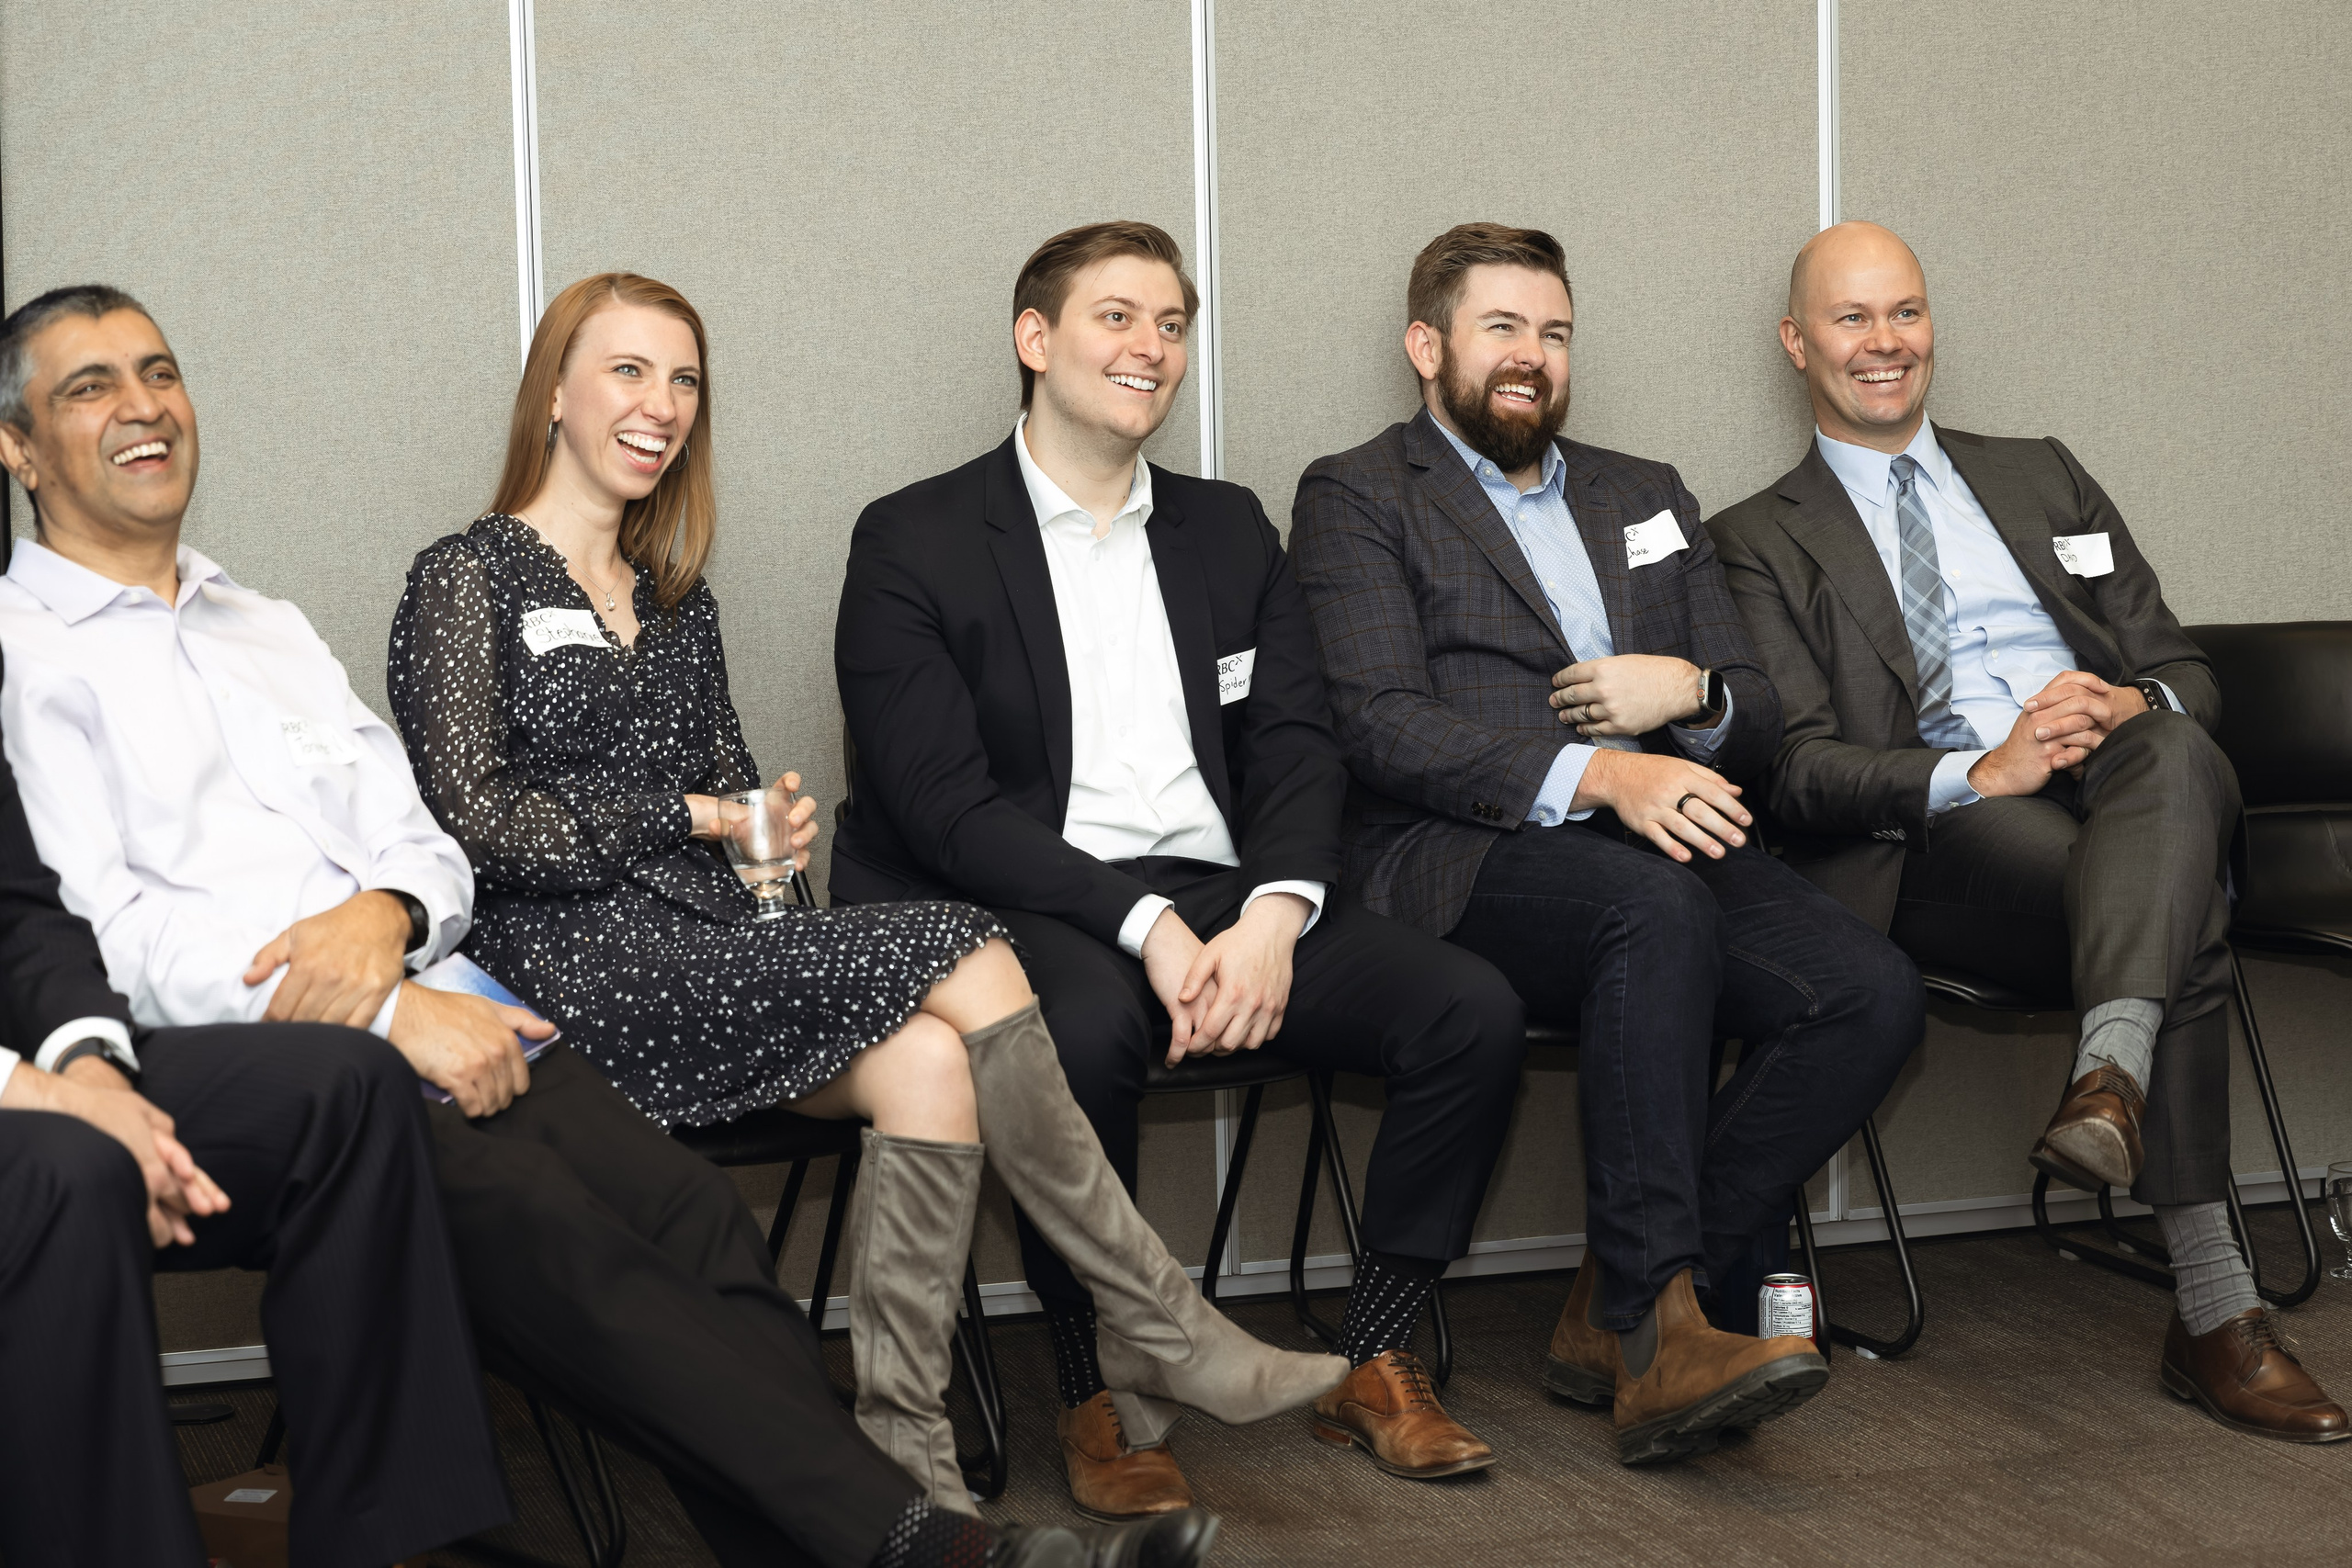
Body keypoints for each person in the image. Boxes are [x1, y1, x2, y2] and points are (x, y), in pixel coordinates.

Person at [0, 282, 1226, 1568]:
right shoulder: (27, 652)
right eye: (91, 388)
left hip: (456, 994)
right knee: (572, 1234)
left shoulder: (267, 626)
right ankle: (930, 1547)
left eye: (159, 371)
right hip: (259, 1047)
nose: (142, 405)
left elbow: (426, 843)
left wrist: (390, 914)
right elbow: (90, 932)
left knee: (696, 1224)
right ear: (19, 446)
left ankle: (843, 1543)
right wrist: (383, 999)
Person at [388, 270, 1339, 1515]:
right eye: (627, 371)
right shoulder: (468, 576)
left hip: (710, 956)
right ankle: (1157, 1316)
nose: (660, 404)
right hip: (560, 974)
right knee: (968, 939)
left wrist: (765, 858)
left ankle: (911, 1462)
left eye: (683, 380)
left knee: (931, 1067)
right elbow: (472, 826)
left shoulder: (677, 599)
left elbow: (737, 804)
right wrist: (685, 816)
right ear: (555, 392)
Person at [833, 220, 1528, 1506]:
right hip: (1024, 893)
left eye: (1169, 323)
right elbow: (940, 808)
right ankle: (1101, 1384)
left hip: (1224, 891)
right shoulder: (915, 538)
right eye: (1115, 317)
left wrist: (1273, 910)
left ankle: (1372, 1345)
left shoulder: (1225, 527)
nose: (1149, 347)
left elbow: (1300, 739)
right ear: (1035, 341)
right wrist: (1148, 922)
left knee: (1468, 1007)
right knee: (1079, 1033)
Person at [1291, 223, 1923, 1467]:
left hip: (1670, 839)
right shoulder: (1359, 493)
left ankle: (1613, 1288)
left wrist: (1681, 690)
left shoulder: (1645, 491)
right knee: (1652, 908)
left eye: (1556, 332)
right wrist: (1597, 770)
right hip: (1464, 856)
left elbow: (1751, 702)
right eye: (1504, 328)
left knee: (1868, 992)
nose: (1534, 357)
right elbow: (1378, 724)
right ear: (1429, 346)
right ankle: (1659, 1329)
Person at [1706, 220, 2348, 1442]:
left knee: (2167, 742)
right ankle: (2215, 1303)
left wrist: (2124, 699)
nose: (1884, 342)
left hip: (2122, 790)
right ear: (1799, 343)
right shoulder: (1755, 535)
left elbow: (2187, 677)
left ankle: (2112, 1075)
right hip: (1952, 832)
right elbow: (1794, 769)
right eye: (1851, 319)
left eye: (1905, 311)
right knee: (2184, 908)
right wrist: (1979, 764)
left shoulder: (2042, 473)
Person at [0, 728, 506, 1563]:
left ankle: (383, 1540)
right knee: (75, 1169)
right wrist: (34, 1090)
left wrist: (88, 1067)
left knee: (345, 1085)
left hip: (39, 1048)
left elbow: (18, 910)